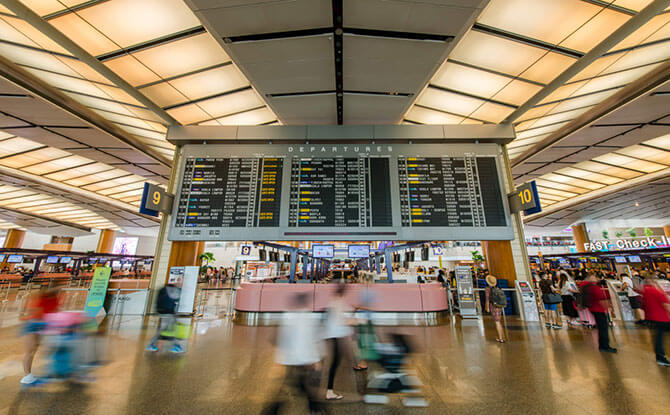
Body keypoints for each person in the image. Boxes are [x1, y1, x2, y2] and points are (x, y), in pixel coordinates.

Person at [263, 293, 323, 415]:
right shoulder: (306, 318)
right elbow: (308, 340)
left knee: (292, 386)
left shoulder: (288, 316)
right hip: (300, 360)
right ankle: (315, 410)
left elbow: (280, 339)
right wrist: (315, 359)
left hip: (289, 359)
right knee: (299, 386)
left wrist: (280, 358)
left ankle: (315, 409)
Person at [20, 289, 59, 385]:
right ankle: (27, 376)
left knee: (34, 350)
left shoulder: (47, 299)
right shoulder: (37, 299)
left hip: (36, 326)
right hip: (32, 326)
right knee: (30, 352)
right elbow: (30, 314)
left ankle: (28, 375)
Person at [323, 283, 352, 400]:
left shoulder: (333, 301)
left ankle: (330, 390)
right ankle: (329, 391)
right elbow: (343, 320)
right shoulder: (340, 303)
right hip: (335, 335)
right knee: (335, 362)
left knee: (336, 361)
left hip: (331, 335)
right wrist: (358, 321)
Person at [582, 272, 617, 353]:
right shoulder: (593, 287)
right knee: (603, 328)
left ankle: (603, 345)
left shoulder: (587, 286)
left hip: (594, 309)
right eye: (594, 277)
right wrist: (607, 306)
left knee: (602, 328)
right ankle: (604, 346)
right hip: (598, 309)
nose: (596, 278)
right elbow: (600, 298)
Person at [641, 275, 670, 366]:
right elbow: (667, 306)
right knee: (660, 338)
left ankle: (660, 357)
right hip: (663, 318)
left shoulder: (645, 291)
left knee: (658, 338)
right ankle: (661, 357)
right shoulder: (657, 292)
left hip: (652, 318)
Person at [146, 282, 183, 354]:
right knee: (170, 330)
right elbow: (176, 297)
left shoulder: (162, 289)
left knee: (168, 329)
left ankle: (176, 346)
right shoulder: (171, 290)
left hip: (163, 311)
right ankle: (176, 346)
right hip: (168, 312)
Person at [485, 275, 506, 343]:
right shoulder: (498, 288)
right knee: (499, 321)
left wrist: (487, 307)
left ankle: (501, 338)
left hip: (493, 306)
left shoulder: (488, 289)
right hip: (499, 306)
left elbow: (487, 299)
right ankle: (503, 336)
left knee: (497, 322)